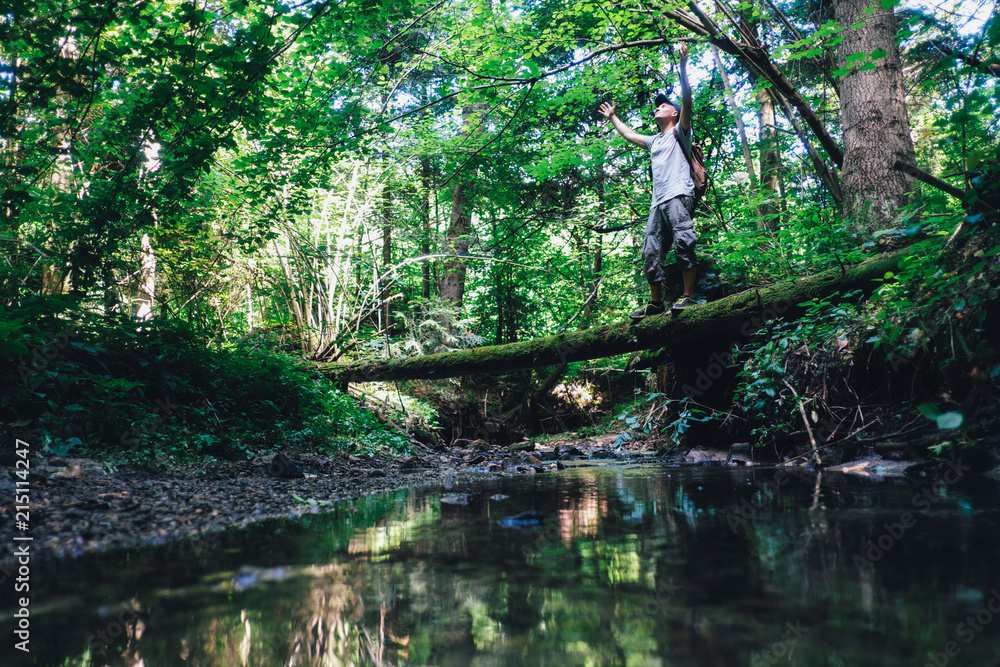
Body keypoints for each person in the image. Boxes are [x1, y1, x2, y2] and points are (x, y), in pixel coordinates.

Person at [598, 42, 698, 320]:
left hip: (678, 195)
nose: (658, 108)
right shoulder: (655, 141)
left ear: (674, 114)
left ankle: (688, 297)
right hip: (658, 203)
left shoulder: (682, 131)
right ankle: (655, 303)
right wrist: (613, 117)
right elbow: (630, 135)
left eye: (664, 106)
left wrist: (682, 67)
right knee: (651, 249)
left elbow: (687, 99)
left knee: (684, 242)